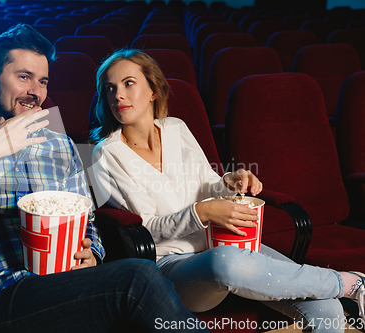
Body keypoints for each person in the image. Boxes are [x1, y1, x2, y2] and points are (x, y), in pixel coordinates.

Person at [0, 24, 210, 333]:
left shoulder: (59, 144)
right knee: (139, 277)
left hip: (66, 285)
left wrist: (92, 252)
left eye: (43, 81)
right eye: (23, 77)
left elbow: (85, 218)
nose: (35, 91)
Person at [90, 49, 365, 333]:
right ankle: (349, 282)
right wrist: (203, 212)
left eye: (128, 83)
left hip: (223, 244)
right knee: (227, 261)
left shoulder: (176, 128)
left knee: (327, 309)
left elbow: (207, 182)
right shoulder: (105, 155)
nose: (117, 95)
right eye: (109, 89)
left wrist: (229, 182)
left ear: (153, 90)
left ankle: (344, 286)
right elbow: (143, 230)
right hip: (171, 264)